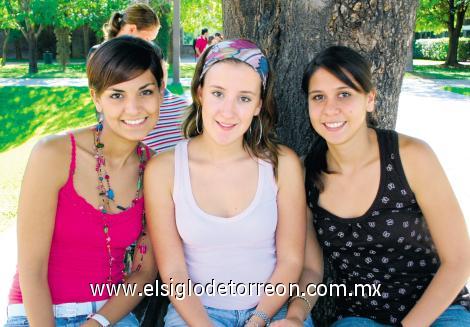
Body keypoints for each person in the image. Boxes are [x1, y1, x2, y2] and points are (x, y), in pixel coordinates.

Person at [144, 39, 318, 326]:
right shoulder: (164, 169)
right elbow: (173, 269)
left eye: (244, 98)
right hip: (197, 313)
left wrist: (260, 319)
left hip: (273, 308)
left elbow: (290, 260)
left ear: (259, 105)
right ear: (199, 93)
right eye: (218, 93)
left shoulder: (281, 164)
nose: (228, 111)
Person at [296, 45, 470, 326]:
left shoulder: (412, 156)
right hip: (360, 317)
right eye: (319, 97)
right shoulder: (305, 173)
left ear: (370, 99)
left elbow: (459, 259)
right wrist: (296, 315)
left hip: (438, 311)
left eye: (344, 94)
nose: (330, 109)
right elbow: (310, 270)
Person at [5, 36, 164, 327]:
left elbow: (144, 272)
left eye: (145, 92)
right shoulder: (54, 154)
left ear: (161, 92)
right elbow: (32, 268)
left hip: (109, 315)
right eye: (117, 95)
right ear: (96, 97)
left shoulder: (156, 169)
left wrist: (98, 322)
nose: (134, 108)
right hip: (36, 314)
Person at [88, 3, 187, 154]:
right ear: (132, 29)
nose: (150, 44)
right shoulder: (99, 54)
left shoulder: (152, 53)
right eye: (147, 38)